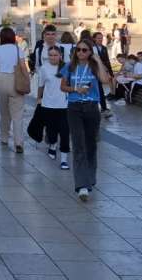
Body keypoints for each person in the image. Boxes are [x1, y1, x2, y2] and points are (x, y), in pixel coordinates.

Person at [61, 39, 111, 201]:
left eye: (85, 50)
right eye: (78, 50)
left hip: (91, 107)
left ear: (90, 52)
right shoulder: (69, 66)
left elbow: (105, 80)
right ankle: (82, 185)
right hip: (74, 107)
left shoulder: (94, 66)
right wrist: (76, 89)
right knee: (78, 145)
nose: (81, 53)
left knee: (90, 145)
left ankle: (89, 177)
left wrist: (98, 60)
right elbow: (63, 87)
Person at [0, 27, 26, 153]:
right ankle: (18, 142)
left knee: (4, 113)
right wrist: (26, 79)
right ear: (12, 37)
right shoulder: (18, 49)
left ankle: (4, 138)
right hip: (15, 80)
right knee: (18, 114)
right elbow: (23, 67)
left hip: (0, 79)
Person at [36, 46, 70, 170]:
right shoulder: (44, 68)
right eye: (50, 55)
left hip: (64, 106)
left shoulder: (67, 67)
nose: (53, 57)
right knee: (51, 131)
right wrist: (38, 98)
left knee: (65, 132)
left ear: (60, 55)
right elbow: (41, 85)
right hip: (48, 105)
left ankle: (64, 159)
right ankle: (53, 145)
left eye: (55, 55)